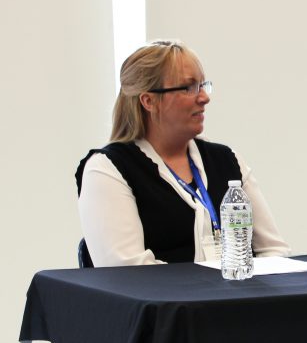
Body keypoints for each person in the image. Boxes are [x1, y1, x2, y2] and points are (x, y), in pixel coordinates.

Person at [77, 40, 289, 266]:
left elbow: (273, 250)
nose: (204, 98)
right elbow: (128, 272)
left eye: (202, 85)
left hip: (235, 299)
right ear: (149, 101)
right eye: (188, 88)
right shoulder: (108, 169)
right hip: (168, 301)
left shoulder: (227, 161)